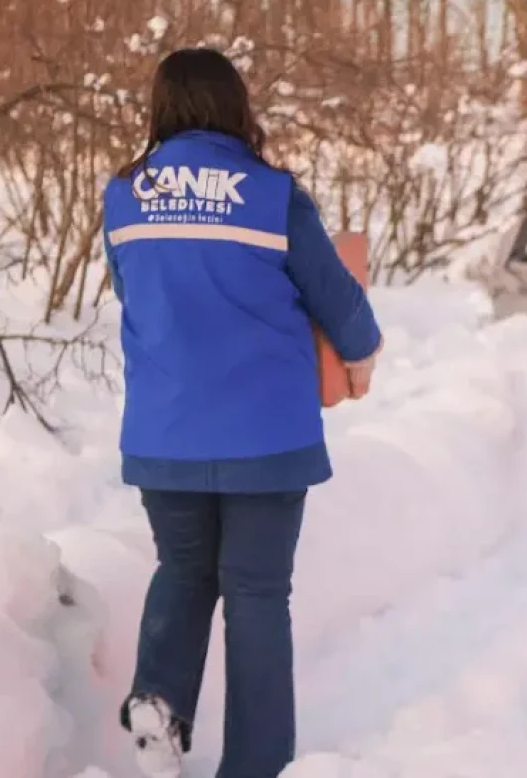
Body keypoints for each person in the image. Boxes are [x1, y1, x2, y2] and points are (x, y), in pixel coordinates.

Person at [102, 48, 383, 778]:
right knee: (257, 593)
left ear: (161, 108)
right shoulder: (270, 195)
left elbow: (134, 295)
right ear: (236, 106)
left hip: (166, 431)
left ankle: (158, 699)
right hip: (265, 434)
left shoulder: (124, 197)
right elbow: (337, 298)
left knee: (184, 567)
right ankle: (256, 764)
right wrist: (361, 350)